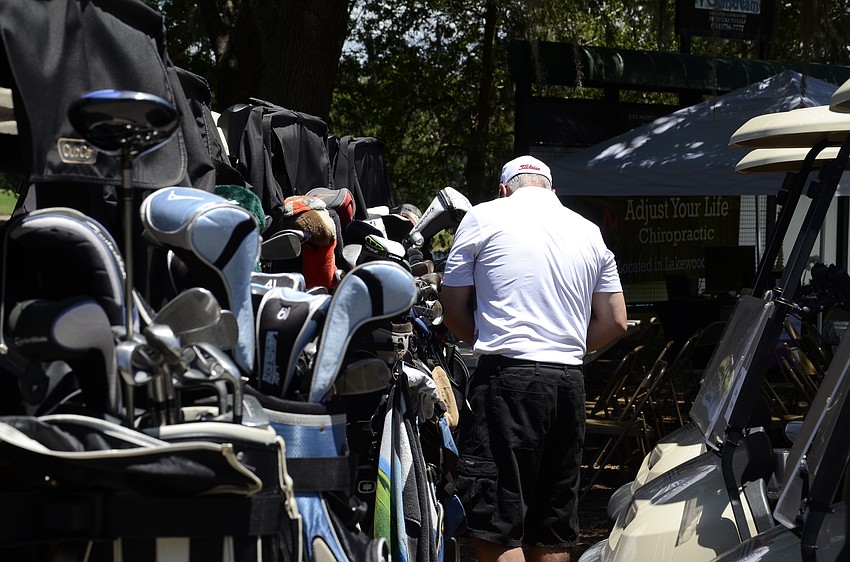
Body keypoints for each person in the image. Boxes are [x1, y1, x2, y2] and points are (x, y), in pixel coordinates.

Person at [440, 155, 627, 562]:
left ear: (505, 189)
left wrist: (489, 340)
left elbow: (452, 309)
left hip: (506, 379)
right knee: (553, 523)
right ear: (551, 189)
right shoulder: (589, 231)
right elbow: (616, 321)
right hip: (568, 383)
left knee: (496, 523)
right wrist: (567, 347)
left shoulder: (482, 216)